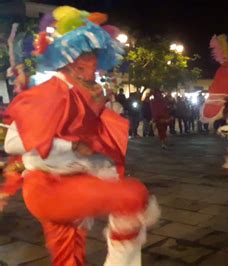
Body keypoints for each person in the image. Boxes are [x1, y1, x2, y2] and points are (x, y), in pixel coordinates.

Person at [0, 8, 159, 266]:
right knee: (132, 195)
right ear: (74, 61)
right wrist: (72, 146)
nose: (94, 67)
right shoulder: (48, 92)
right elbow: (13, 142)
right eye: (89, 58)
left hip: (68, 181)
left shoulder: (80, 94)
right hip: (49, 188)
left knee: (68, 257)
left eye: (95, 58)